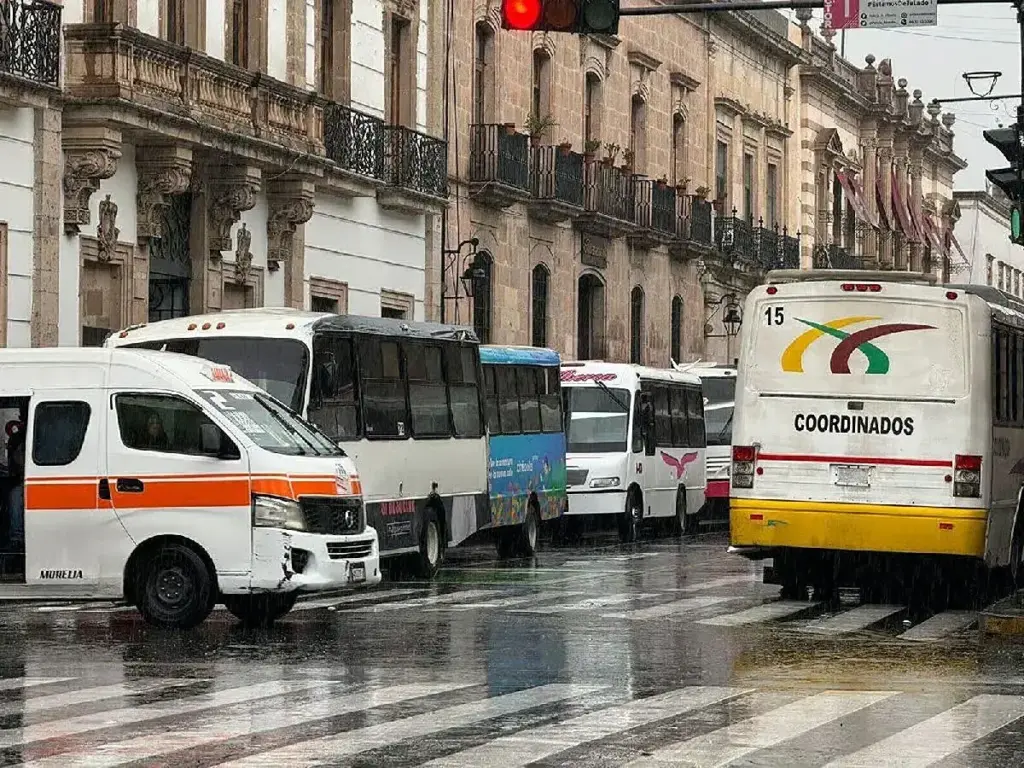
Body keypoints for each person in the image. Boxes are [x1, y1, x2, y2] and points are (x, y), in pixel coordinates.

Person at [6, 430, 24, 552]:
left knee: (16, 496)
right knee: (15, 495)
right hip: (25, 480)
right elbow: (16, 461)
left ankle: (17, 538)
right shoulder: (19, 437)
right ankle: (17, 540)